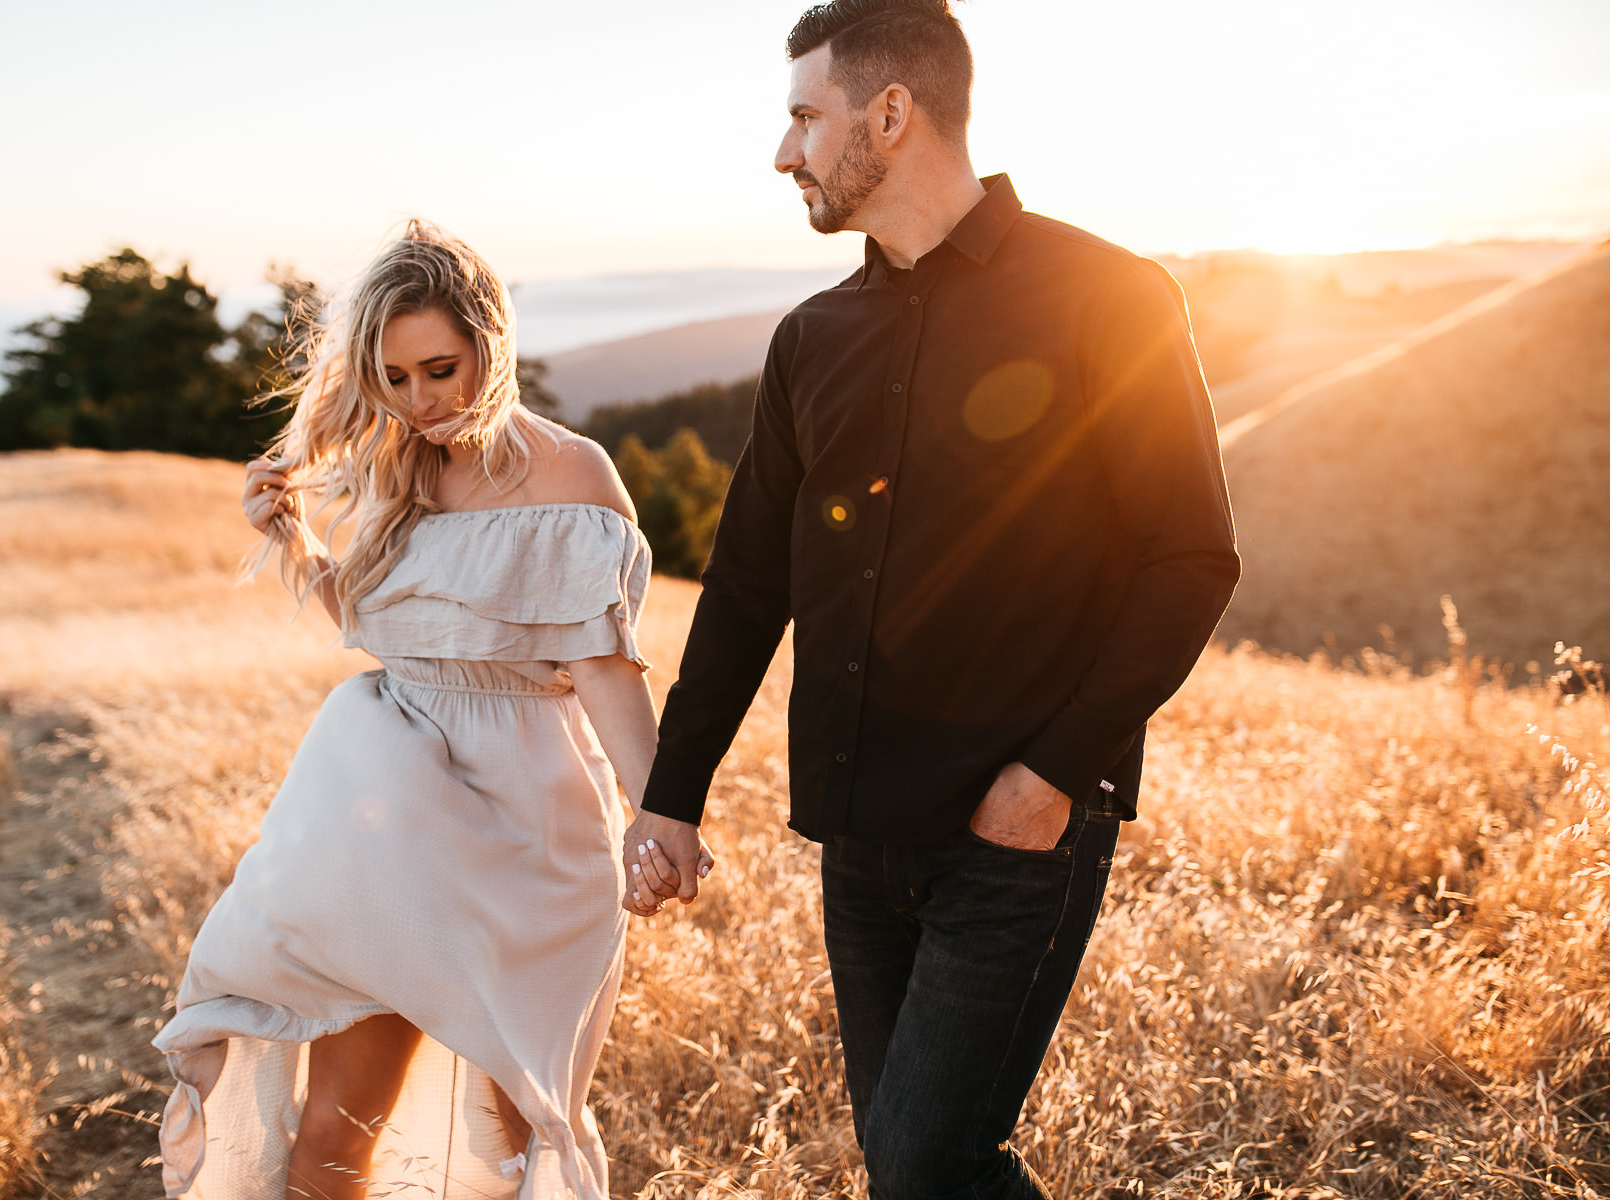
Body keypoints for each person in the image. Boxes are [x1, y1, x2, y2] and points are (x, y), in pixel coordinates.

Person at [619, 2, 1241, 1196]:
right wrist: (673, 798)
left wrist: (1054, 774)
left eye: (805, 116)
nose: (784, 152)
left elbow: (1192, 557)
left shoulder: (1108, 295)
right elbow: (749, 582)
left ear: (890, 114)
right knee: (911, 1170)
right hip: (857, 835)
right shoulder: (813, 338)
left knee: (925, 1163)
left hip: (1015, 833)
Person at [152, 220, 701, 1200]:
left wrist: (660, 819)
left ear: (492, 343)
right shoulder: (392, 464)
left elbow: (610, 673)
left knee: (512, 1135)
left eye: (440, 370)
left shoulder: (573, 478)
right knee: (335, 1131)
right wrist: (299, 543)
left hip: (528, 829)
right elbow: (385, 627)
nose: (419, 401)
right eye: (395, 379)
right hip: (383, 818)